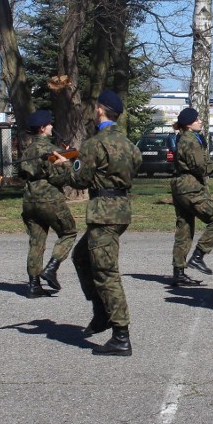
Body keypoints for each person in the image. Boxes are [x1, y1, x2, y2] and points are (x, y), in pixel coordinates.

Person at [52, 90, 142, 356]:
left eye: (95, 108)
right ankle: (101, 310)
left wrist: (64, 166)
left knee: (106, 273)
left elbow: (80, 181)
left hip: (104, 213)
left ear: (101, 110)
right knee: (81, 256)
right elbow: (134, 166)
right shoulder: (129, 144)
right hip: (121, 210)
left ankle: (121, 334)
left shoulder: (94, 144)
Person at [18, 110, 78, 298]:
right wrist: (68, 163)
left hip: (29, 199)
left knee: (36, 241)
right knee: (69, 232)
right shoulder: (51, 151)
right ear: (43, 129)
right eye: (49, 125)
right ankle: (52, 267)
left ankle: (33, 285)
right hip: (49, 198)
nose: (52, 127)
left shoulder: (27, 150)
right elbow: (60, 179)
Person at [170, 107, 213, 286]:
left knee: (184, 228)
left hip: (181, 187)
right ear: (188, 124)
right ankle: (198, 256)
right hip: (190, 188)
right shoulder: (190, 141)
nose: (200, 121)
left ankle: (178, 272)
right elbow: (202, 168)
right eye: (197, 119)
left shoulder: (187, 138)